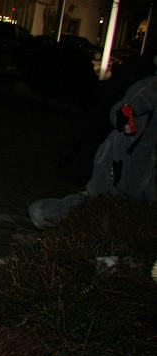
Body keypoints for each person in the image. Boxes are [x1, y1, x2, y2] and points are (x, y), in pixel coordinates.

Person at [29, 57, 157, 228]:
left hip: (145, 166)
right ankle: (45, 214)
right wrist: (127, 118)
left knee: (133, 208)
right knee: (103, 199)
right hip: (122, 158)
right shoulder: (151, 85)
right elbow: (129, 106)